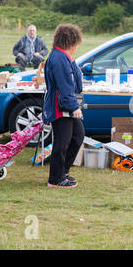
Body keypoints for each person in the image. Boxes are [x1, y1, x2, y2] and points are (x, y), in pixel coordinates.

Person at [43, 24, 84, 188]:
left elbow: (75, 79)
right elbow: (65, 86)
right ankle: (55, 179)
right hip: (60, 108)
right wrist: (74, 107)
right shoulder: (59, 59)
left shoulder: (64, 57)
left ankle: (63, 172)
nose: (77, 48)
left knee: (77, 136)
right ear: (71, 42)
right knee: (62, 142)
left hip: (65, 105)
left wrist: (72, 59)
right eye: (76, 44)